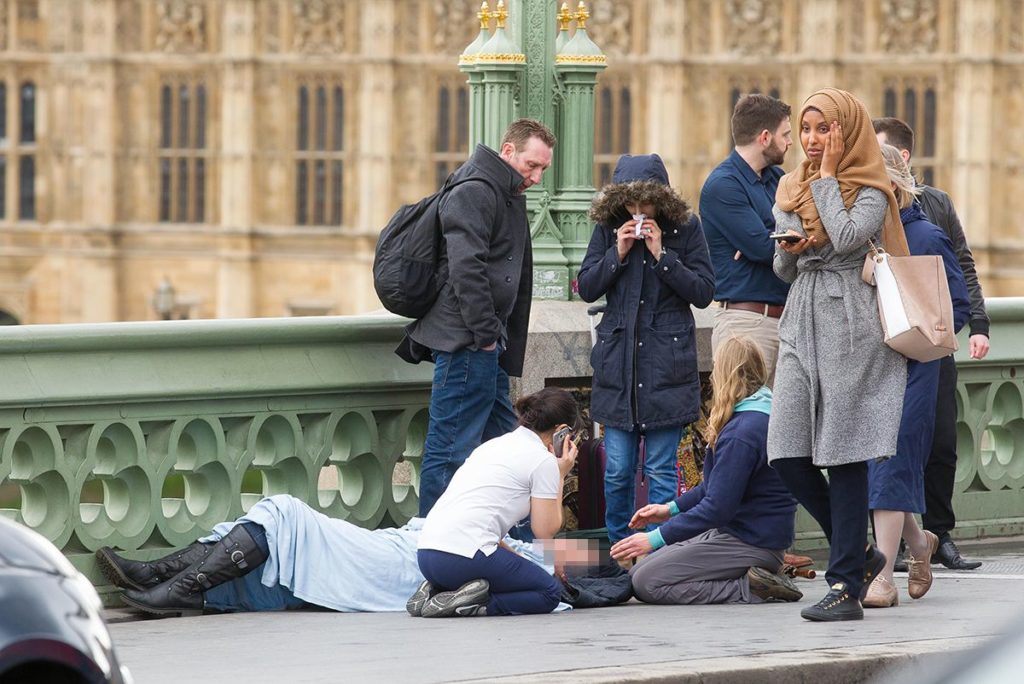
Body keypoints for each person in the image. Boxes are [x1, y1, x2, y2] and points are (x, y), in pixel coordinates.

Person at [767, 88, 909, 622]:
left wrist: (825, 179)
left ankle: (845, 585)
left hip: (851, 323)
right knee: (784, 452)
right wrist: (787, 247)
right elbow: (782, 269)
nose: (811, 139)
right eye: (805, 129)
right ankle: (863, 553)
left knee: (845, 455)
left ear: (847, 132)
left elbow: (849, 238)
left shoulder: (873, 187)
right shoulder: (793, 185)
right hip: (803, 317)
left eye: (823, 129)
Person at [398, 118, 557, 518]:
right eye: (532, 165)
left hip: (485, 342)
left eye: (543, 169)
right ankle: (430, 544)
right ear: (507, 151)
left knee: (509, 446)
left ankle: (513, 540)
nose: (536, 177)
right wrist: (487, 335)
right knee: (450, 449)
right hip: (466, 341)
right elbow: (464, 269)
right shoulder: (475, 190)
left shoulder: (504, 190)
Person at [95, 494, 559, 617]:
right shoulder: (477, 527)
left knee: (285, 514)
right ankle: (162, 578)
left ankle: (171, 586)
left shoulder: (529, 557)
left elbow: (550, 552)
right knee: (274, 536)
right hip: (388, 547)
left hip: (390, 564)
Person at [576, 154, 715, 544]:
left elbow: (704, 292)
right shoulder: (608, 229)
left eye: (645, 204)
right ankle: (620, 547)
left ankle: (657, 550)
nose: (637, 212)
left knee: (660, 469)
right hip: (618, 368)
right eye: (630, 204)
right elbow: (586, 286)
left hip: (665, 369)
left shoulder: (687, 229)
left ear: (661, 200)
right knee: (617, 469)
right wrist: (616, 254)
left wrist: (661, 256)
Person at [873, 116, 989, 571]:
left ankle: (938, 536)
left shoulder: (934, 213)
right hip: (884, 356)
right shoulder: (866, 229)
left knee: (939, 443)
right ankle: (906, 547)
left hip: (928, 352)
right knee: (888, 455)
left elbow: (961, 273)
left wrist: (971, 324)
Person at [609, 336, 802, 605]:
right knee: (640, 570)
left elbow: (717, 507)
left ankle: (752, 588)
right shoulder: (759, 413)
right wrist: (670, 509)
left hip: (753, 543)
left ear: (723, 373)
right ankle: (754, 578)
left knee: (646, 582)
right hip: (744, 534)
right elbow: (716, 488)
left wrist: (654, 538)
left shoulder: (743, 432)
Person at [861, 145, 971, 608]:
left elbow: (958, 306)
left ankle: (881, 577)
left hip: (915, 368)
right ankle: (920, 543)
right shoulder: (859, 241)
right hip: (868, 367)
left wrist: (921, 331)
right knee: (878, 467)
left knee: (893, 461)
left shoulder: (926, 236)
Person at [410, 387, 580, 617]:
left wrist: (517, 560)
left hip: (428, 555)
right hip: (463, 557)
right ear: (561, 430)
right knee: (548, 592)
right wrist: (560, 474)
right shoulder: (543, 461)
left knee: (525, 573)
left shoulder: (493, 446)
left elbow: (483, 522)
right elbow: (545, 530)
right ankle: (475, 605)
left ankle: (437, 591)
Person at [700, 94, 793, 384]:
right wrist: (777, 240)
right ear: (765, 137)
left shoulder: (778, 179)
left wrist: (780, 239)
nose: (791, 142)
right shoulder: (723, 185)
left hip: (786, 323)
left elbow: (805, 230)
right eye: (786, 134)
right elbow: (765, 249)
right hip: (746, 325)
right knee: (743, 422)